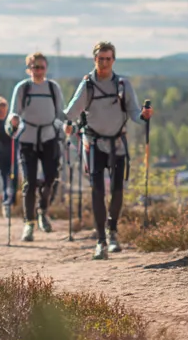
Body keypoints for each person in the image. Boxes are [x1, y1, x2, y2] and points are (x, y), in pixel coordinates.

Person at [64, 41, 154, 260]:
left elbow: (133, 112)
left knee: (117, 190)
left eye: (108, 59)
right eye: (100, 58)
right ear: (94, 59)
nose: (104, 63)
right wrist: (67, 121)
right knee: (97, 191)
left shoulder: (123, 85)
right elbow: (71, 111)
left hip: (117, 144)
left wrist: (143, 116)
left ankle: (112, 232)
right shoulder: (88, 85)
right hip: (93, 144)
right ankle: (101, 242)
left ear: (113, 60)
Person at [7, 52, 65, 242]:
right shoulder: (23, 87)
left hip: (49, 138)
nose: (38, 70)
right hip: (27, 139)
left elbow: (61, 113)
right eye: (35, 67)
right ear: (29, 69)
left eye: (41, 67)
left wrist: (58, 129)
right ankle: (29, 224)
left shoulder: (52, 87)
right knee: (29, 182)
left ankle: (43, 211)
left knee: (51, 178)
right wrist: (12, 122)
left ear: (46, 68)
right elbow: (13, 112)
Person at [0, 95, 18, 218]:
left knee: (14, 178)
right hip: (2, 154)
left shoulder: (10, 121)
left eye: (3, 106)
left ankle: (12, 200)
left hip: (14, 152)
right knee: (5, 179)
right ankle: (6, 202)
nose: (0, 108)